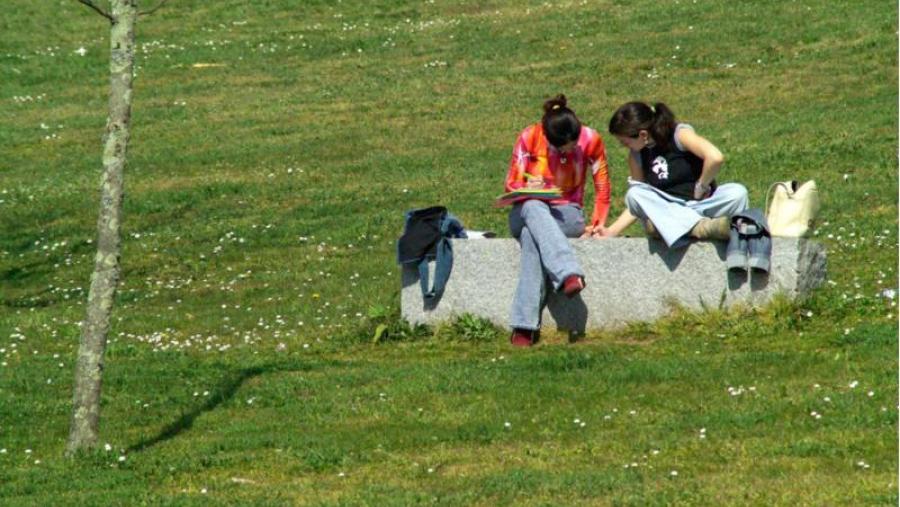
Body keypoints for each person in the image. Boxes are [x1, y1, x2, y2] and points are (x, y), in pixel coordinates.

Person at [503, 94, 611, 347]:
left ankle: (524, 326)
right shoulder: (529, 136)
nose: (568, 151)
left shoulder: (591, 139)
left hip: (567, 214)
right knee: (532, 205)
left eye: (572, 146)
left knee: (533, 237)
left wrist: (597, 222)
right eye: (561, 148)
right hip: (526, 210)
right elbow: (511, 182)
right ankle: (568, 273)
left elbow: (602, 183)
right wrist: (527, 184)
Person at [597, 101, 748, 247]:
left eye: (626, 143)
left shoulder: (679, 134)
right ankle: (700, 228)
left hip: (701, 204)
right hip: (669, 209)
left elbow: (715, 157)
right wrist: (612, 231)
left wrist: (701, 186)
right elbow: (638, 203)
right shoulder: (636, 156)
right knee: (634, 194)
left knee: (737, 192)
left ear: (643, 134)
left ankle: (680, 228)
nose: (624, 147)